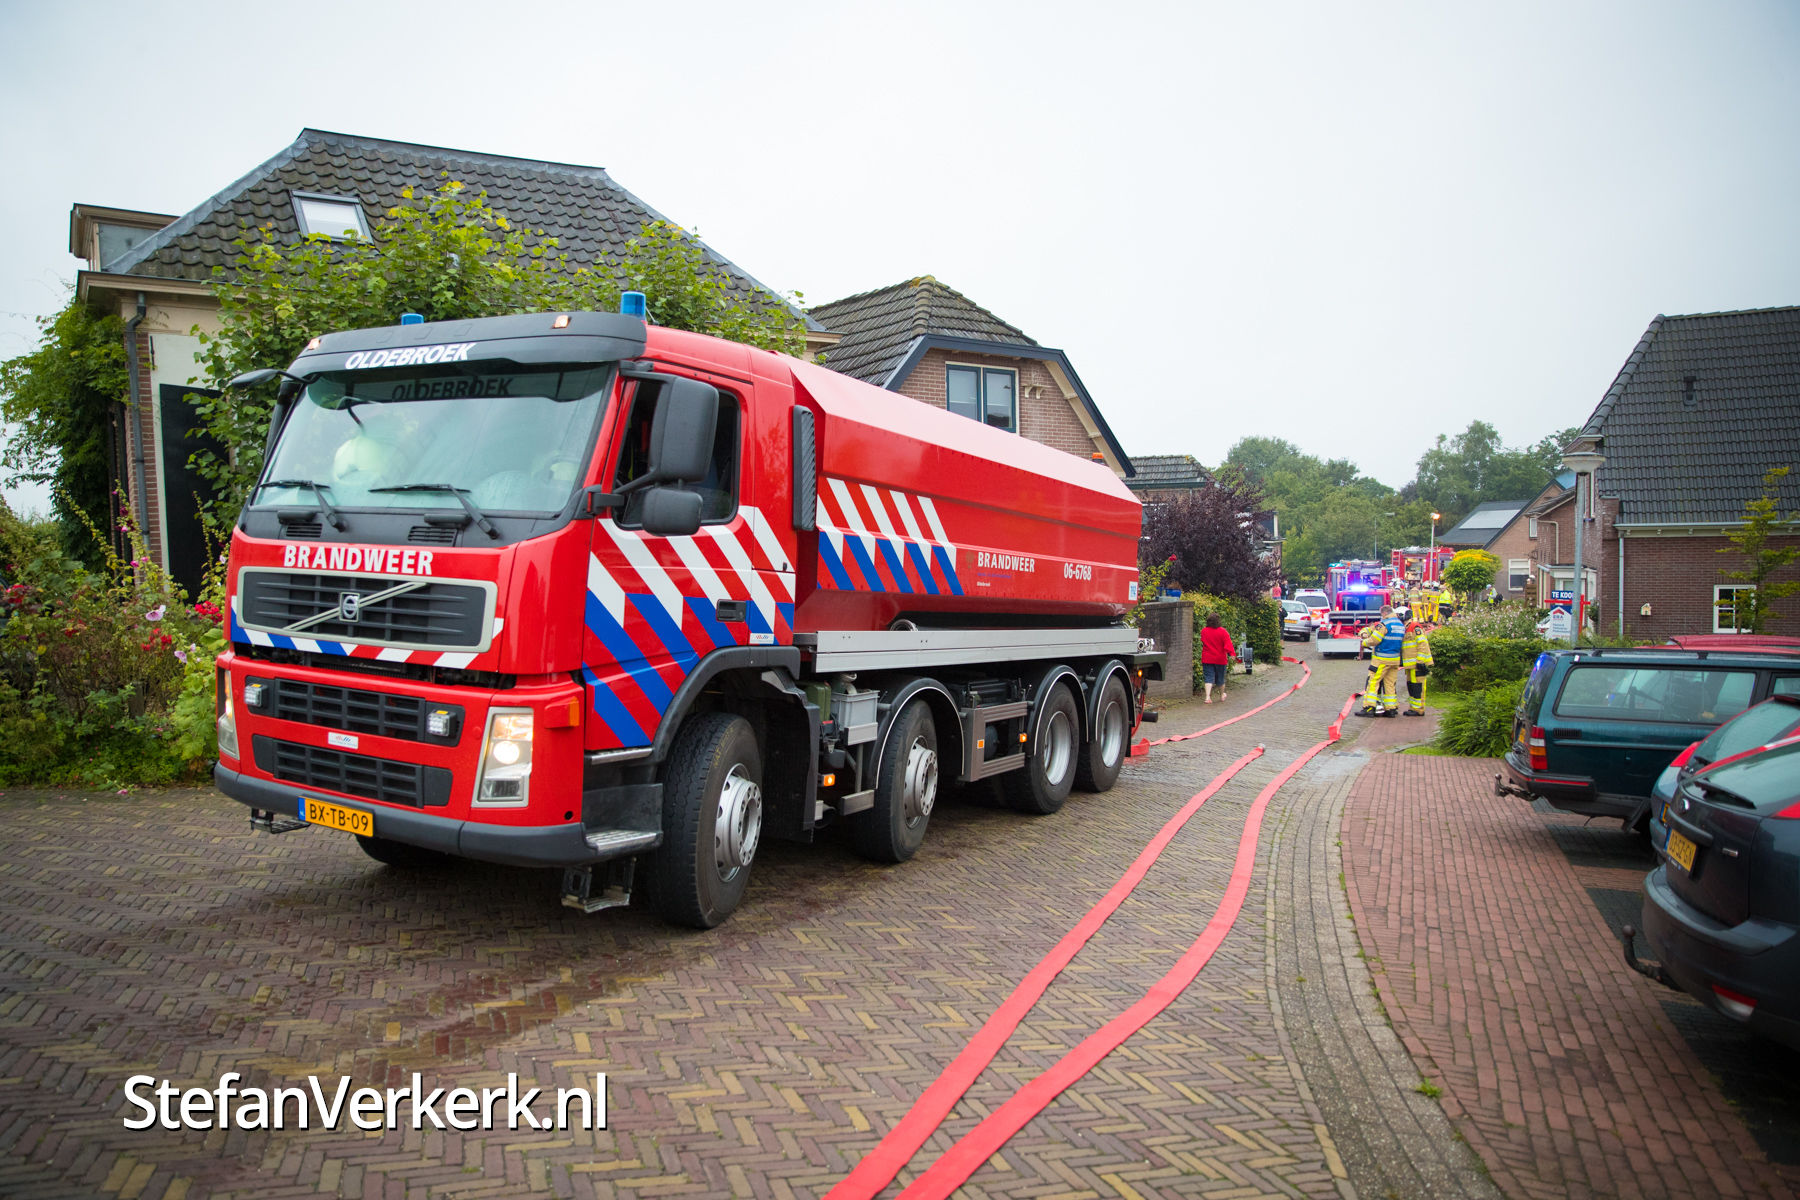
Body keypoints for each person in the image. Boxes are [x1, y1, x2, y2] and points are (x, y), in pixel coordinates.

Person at [1358, 604, 1407, 716]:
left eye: (1382, 615)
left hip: (1381, 659)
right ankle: (1391, 709)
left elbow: (1375, 640)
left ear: (1384, 613)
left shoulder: (1384, 624)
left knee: (1373, 682)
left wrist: (1364, 643)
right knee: (1390, 684)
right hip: (1395, 659)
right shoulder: (1400, 624)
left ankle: (1369, 708)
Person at [1199, 611, 1235, 704]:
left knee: (1208, 677)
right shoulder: (1223, 631)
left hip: (1207, 658)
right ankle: (1222, 695)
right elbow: (1228, 644)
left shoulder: (1204, 631)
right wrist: (1232, 654)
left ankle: (1207, 697)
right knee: (1220, 678)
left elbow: (1202, 641)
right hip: (1220, 659)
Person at [1402, 619, 1434, 716]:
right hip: (1411, 665)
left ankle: (1419, 709)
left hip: (1417, 664)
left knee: (1418, 687)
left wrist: (1420, 661)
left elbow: (1422, 644)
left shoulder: (1415, 627)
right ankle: (1413, 708)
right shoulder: (1406, 628)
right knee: (1412, 686)